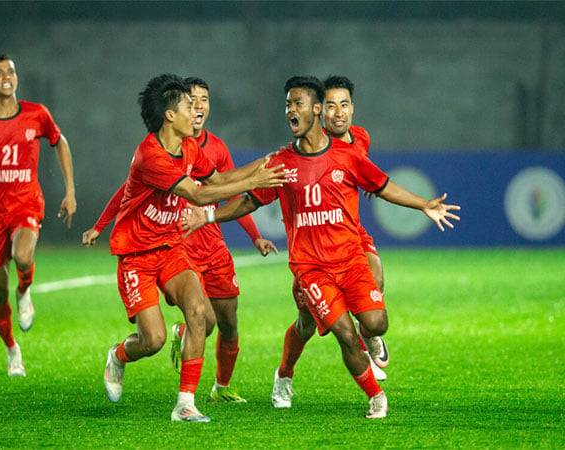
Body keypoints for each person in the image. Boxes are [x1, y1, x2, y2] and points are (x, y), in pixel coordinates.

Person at [181, 76, 460, 419]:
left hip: (351, 260)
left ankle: (329, 356)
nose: (290, 111)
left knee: (376, 323)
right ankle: (371, 395)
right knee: (339, 331)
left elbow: (383, 185)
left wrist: (423, 205)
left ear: (316, 109)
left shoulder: (348, 154)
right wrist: (208, 216)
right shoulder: (281, 163)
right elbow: (249, 201)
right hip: (311, 268)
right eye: (287, 105)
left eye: (296, 104)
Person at [81, 73, 285, 423]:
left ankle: (185, 404)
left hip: (171, 247)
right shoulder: (151, 156)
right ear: (170, 115)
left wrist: (265, 163)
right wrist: (255, 181)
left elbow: (218, 180)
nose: (197, 111)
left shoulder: (190, 147)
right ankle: (118, 355)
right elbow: (199, 194)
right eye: (190, 105)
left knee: (198, 313)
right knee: (154, 340)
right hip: (136, 256)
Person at [277, 75, 391, 393]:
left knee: (375, 276)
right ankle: (284, 373)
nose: (338, 113)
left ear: (352, 108)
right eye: (330, 106)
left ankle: (369, 335)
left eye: (344, 105)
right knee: (306, 323)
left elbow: (359, 170)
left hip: (348, 233)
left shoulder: (360, 138)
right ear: (318, 111)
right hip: (311, 247)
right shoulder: (309, 143)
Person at [0, 54, 76, 377]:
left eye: (11, 71)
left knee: (24, 256)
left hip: (26, 204)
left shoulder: (36, 114)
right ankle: (12, 349)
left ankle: (25, 291)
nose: (7, 76)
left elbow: (60, 141)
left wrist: (70, 190)